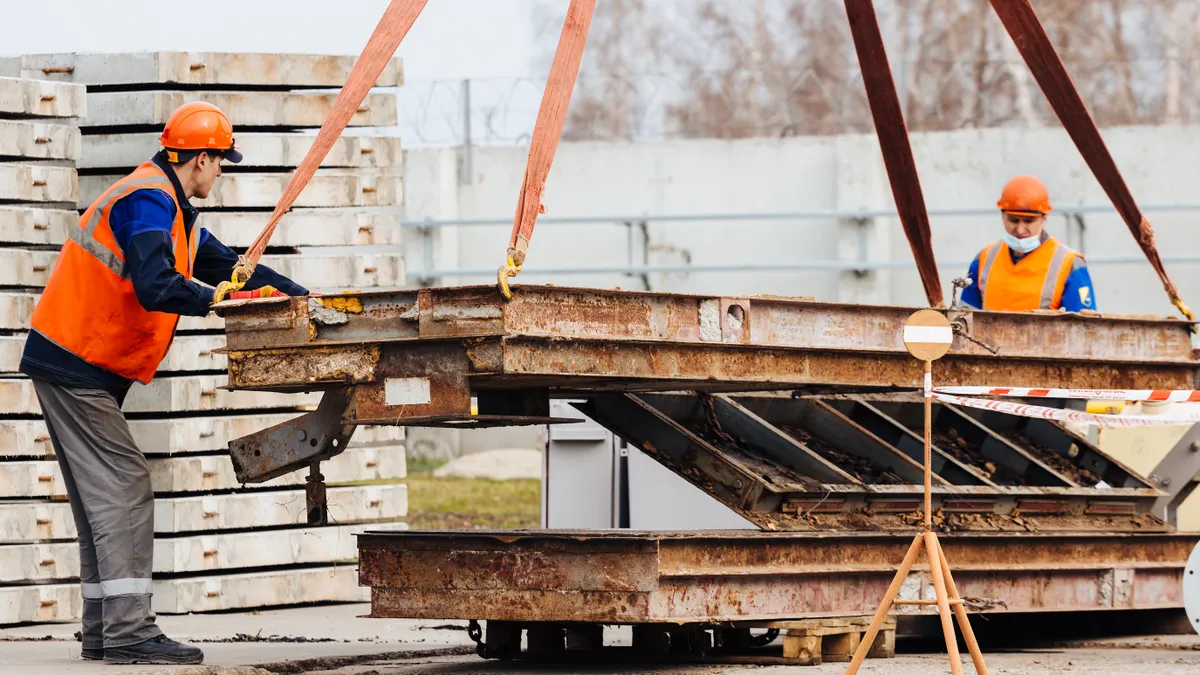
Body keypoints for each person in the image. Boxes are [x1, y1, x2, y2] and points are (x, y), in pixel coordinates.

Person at [20, 102, 308, 665]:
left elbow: (227, 267)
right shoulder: (148, 200)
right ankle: (130, 632)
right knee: (125, 486)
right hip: (76, 364)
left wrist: (297, 298)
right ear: (200, 158)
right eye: (221, 162)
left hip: (74, 363)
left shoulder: (167, 206)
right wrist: (212, 301)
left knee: (100, 502)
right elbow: (156, 284)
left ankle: (106, 629)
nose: (221, 173)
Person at [959, 175, 1097, 312]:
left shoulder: (1069, 264)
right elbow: (964, 319)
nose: (1020, 229)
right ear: (1002, 216)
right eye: (1013, 220)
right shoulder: (985, 258)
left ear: (1044, 219)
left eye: (1029, 221)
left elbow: (1083, 327)